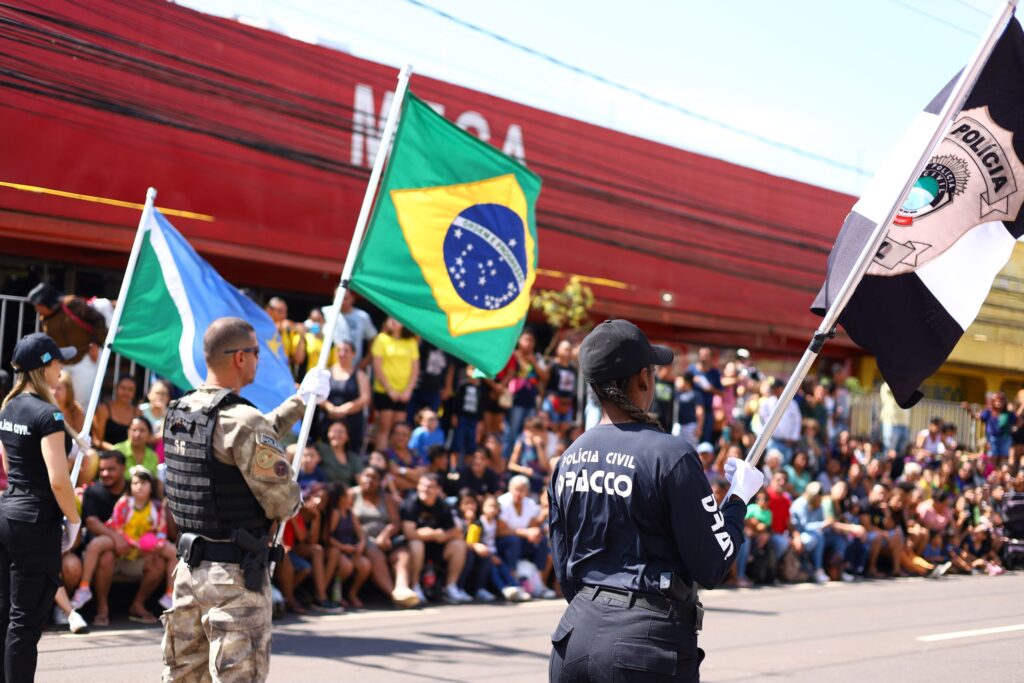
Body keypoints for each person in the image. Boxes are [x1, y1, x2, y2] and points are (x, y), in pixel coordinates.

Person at [548, 320, 762, 683]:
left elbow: (564, 569)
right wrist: (738, 498)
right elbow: (713, 562)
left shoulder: (569, 457)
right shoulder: (670, 453)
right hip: (645, 643)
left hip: (574, 637)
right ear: (643, 379)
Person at [159, 316, 330, 682]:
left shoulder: (182, 411)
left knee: (183, 677)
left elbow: (239, 439)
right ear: (239, 358)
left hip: (190, 572)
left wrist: (301, 401)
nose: (258, 360)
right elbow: (283, 503)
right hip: (234, 579)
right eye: (255, 353)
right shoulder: (242, 419)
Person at [0, 332, 82, 680]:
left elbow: (9, 464)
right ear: (45, 367)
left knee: (5, 613)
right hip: (35, 523)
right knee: (25, 622)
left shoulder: (8, 406)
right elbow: (58, 480)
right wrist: (75, 520)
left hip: (8, 514)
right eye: (58, 362)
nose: (62, 369)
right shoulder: (48, 414)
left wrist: (73, 444)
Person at [27, 282, 108, 404]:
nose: (37, 309)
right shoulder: (44, 319)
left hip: (85, 359)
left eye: (38, 305)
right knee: (60, 402)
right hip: (61, 365)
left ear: (47, 302)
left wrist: (96, 344)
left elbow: (98, 320)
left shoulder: (72, 304)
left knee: (83, 401)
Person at [400, 473, 473, 604]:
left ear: (438, 489)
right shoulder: (411, 503)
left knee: (459, 544)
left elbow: (456, 531)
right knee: (417, 544)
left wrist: (444, 535)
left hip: (437, 548)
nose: (424, 489)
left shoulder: (443, 506)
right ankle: (415, 586)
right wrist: (430, 534)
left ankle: (450, 587)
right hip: (413, 550)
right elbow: (408, 533)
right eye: (422, 485)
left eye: (429, 486)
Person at [370, 317, 420, 451]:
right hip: (384, 391)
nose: (393, 321)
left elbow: (415, 368)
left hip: (403, 393)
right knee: (384, 428)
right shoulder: (381, 339)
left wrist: (408, 390)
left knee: (398, 430)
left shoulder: (411, 341)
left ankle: (394, 461)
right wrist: (389, 389)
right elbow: (377, 366)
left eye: (397, 319)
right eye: (390, 318)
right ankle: (380, 460)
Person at [319, 340, 370, 454]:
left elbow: (365, 398)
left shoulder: (360, 375)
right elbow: (318, 394)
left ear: (353, 354)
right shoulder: (327, 373)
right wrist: (330, 408)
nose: (342, 353)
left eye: (346, 351)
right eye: (339, 350)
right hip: (328, 420)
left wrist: (343, 410)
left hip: (352, 422)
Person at [92, 376, 141, 451]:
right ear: (116, 388)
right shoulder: (103, 409)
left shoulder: (137, 413)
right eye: (123, 388)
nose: (126, 392)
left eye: (130, 390)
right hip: (105, 456)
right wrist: (116, 451)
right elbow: (97, 440)